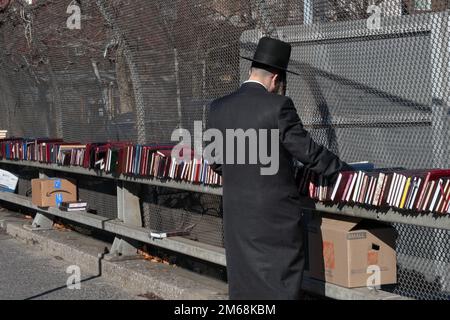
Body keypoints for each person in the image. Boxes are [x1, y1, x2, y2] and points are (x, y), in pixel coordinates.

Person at [207, 37, 350, 300]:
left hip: (236, 214)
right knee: (279, 283)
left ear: (251, 71)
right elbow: (307, 152)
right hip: (274, 216)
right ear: (275, 79)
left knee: (245, 285)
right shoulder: (278, 106)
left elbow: (215, 161)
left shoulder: (217, 108)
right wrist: (344, 171)